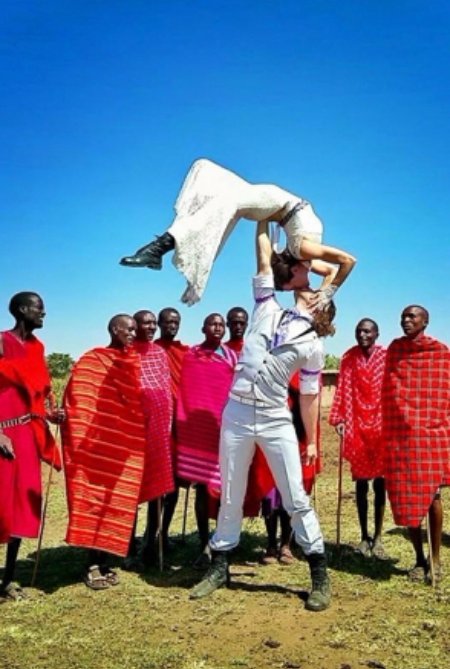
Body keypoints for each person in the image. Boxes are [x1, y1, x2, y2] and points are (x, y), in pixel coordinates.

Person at [190, 221, 336, 612]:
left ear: (323, 302)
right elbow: (264, 255)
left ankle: (319, 572)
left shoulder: (313, 347)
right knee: (230, 492)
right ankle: (220, 566)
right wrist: (260, 215)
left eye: (314, 286)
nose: (305, 282)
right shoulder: (266, 304)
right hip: (236, 412)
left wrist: (313, 443)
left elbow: (308, 399)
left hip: (274, 419)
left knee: (295, 497)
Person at [120, 158, 356, 306]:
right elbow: (347, 261)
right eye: (295, 286)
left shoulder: (308, 263)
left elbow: (330, 271)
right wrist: (329, 293)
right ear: (293, 270)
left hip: (274, 208)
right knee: (224, 202)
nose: (303, 287)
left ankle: (159, 249)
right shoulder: (305, 251)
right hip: (278, 202)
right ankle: (158, 249)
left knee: (218, 195)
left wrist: (323, 294)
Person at [62, 315, 153, 589]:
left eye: (135, 330)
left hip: (121, 446)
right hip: (95, 452)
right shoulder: (92, 360)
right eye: (130, 329)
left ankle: (103, 561)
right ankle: (91, 565)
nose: (133, 333)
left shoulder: (133, 362)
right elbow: (77, 400)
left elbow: (136, 403)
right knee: (93, 501)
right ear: (115, 329)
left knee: (115, 503)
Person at [0, 292, 63, 601]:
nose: (44, 314)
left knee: (22, 506)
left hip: (27, 436)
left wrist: (53, 415)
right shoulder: (1, 342)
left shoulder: (38, 348)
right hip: (2, 435)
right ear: (22, 310)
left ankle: (8, 580)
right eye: (40, 308)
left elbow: (39, 393)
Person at [382, 305, 450, 583]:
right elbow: (388, 392)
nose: (406, 321)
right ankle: (419, 559)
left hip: (431, 434)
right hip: (401, 435)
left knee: (432, 496)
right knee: (405, 496)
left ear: (426, 321)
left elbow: (444, 394)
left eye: (412, 317)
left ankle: (436, 560)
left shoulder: (441, 353)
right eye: (403, 317)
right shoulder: (395, 351)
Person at [176, 313, 237, 566]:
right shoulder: (190, 356)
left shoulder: (231, 357)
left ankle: (222, 540)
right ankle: (203, 543)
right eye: (213, 323)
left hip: (224, 430)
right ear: (203, 327)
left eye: (221, 325)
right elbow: (186, 389)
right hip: (199, 432)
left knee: (226, 490)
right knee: (202, 488)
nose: (218, 328)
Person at [329, 319, 387, 558]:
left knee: (381, 483)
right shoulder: (348, 358)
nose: (362, 334)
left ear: (376, 333)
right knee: (361, 483)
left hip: (382, 424)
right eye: (358, 331)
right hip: (356, 425)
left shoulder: (387, 356)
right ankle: (364, 536)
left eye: (367, 331)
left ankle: (379, 537)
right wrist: (339, 418)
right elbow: (342, 388)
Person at [126, 310, 175, 568]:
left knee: (157, 491)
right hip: (132, 433)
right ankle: (128, 545)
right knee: (131, 491)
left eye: (154, 323)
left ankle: (149, 542)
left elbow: (165, 391)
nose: (152, 327)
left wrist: (165, 425)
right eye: (146, 323)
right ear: (134, 326)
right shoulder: (127, 353)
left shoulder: (159, 354)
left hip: (158, 433)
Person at [152, 308, 189, 549]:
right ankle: (149, 537)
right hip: (156, 427)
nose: (172, 326)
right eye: (167, 322)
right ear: (159, 324)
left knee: (174, 483)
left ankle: (164, 534)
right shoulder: (149, 351)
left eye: (176, 322)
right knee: (156, 485)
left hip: (179, 426)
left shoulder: (184, 352)